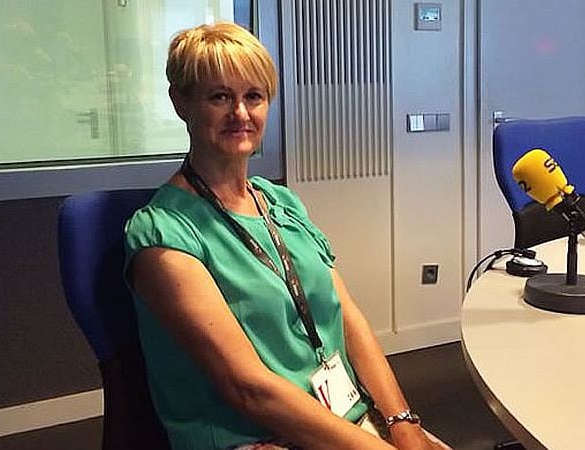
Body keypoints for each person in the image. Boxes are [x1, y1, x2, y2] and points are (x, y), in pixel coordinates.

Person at [124, 22, 451, 450]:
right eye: (220, 96)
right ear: (181, 102)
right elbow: (249, 389)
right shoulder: (163, 236)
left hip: (342, 418)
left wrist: (403, 425)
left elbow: (348, 318)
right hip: (255, 437)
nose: (240, 113)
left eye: (253, 97)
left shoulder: (282, 204)